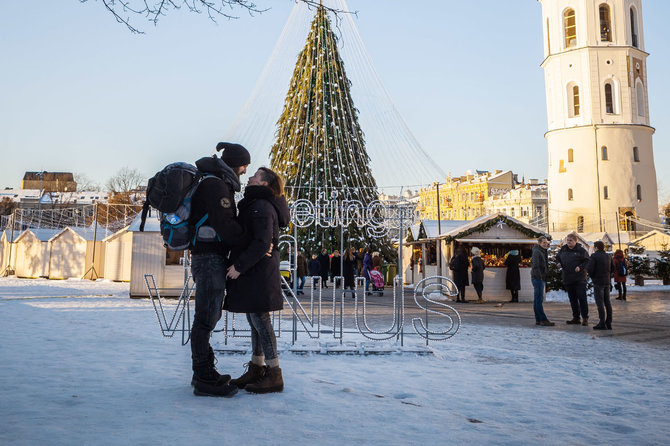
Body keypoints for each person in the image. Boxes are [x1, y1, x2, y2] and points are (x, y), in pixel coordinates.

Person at [188, 142, 250, 398]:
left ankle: (203, 372)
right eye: (245, 165)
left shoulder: (214, 182)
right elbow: (224, 225)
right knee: (206, 318)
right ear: (236, 164)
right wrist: (250, 240)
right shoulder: (216, 185)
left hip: (208, 256)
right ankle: (204, 377)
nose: (245, 171)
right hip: (209, 258)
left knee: (207, 316)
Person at [225, 167, 290, 393]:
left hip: (258, 273)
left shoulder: (261, 207)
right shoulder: (257, 205)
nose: (250, 177)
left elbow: (262, 243)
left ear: (263, 184)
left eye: (255, 176)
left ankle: (274, 373)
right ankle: (257, 367)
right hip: (257, 273)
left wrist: (239, 267)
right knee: (255, 320)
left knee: (261, 321)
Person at [556, 233, 590, 326]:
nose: (568, 242)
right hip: (568, 278)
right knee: (572, 299)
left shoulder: (581, 250)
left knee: (582, 298)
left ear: (576, 241)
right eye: (567, 240)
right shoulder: (563, 249)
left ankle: (585, 318)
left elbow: (587, 261)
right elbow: (557, 258)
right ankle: (576, 317)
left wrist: (580, 267)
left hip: (580, 279)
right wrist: (559, 263)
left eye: (571, 240)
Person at [587, 241, 613, 330]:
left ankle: (602, 322)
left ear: (596, 247)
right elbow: (613, 268)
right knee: (607, 302)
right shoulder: (608, 256)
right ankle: (608, 322)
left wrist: (592, 276)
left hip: (598, 282)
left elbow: (590, 269)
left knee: (600, 303)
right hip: (607, 281)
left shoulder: (594, 256)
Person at [531, 236, 555, 326]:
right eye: (544, 242)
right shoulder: (537, 252)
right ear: (539, 243)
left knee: (538, 299)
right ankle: (542, 319)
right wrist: (540, 277)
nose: (546, 244)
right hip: (538, 278)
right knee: (538, 299)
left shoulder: (542, 251)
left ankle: (538, 319)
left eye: (546, 242)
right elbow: (536, 265)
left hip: (539, 277)